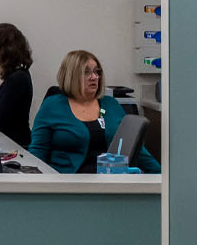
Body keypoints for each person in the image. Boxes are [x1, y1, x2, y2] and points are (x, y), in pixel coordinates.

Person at [28, 49, 161, 174]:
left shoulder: (111, 104)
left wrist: (162, 177)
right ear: (71, 76)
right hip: (66, 183)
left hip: (109, 184)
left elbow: (136, 149)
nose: (94, 77)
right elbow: (38, 151)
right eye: (86, 72)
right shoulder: (52, 106)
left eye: (97, 72)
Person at [0, 23, 34, 148]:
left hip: (15, 149)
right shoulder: (12, 77)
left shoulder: (18, 79)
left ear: (4, 46)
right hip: (8, 145)